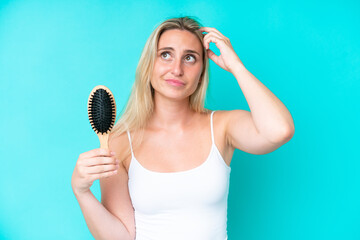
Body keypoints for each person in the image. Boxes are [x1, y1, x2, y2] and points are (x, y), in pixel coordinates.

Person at [71, 16, 295, 240]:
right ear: (149, 64)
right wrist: (81, 191)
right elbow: (119, 237)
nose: (176, 69)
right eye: (165, 55)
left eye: (190, 58)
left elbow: (279, 130)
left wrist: (236, 67)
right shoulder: (119, 142)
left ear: (201, 73)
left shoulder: (222, 127)